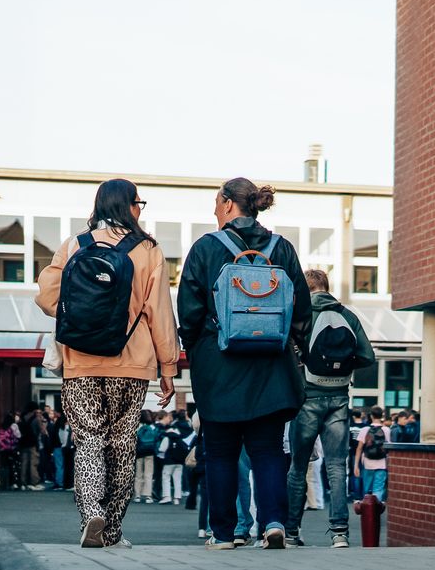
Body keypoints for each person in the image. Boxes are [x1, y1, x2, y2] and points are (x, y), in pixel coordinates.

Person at [36, 178, 180, 548]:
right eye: (138, 203)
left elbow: (47, 296)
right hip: (131, 364)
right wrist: (168, 368)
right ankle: (113, 531)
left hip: (81, 361)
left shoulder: (74, 245)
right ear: (127, 206)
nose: (139, 209)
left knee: (87, 442)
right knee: (121, 444)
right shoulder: (148, 250)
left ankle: (91, 516)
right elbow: (160, 313)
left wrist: (81, 315)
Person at [177, 178, 311, 550]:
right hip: (271, 366)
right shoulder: (280, 247)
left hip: (219, 367)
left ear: (227, 204)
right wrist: (291, 346)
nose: (214, 211)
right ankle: (273, 522)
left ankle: (222, 534)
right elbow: (301, 309)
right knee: (267, 450)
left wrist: (199, 349)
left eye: (216, 203)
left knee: (220, 453)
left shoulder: (206, 248)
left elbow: (188, 311)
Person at [286, 268, 375, 548]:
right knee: (337, 467)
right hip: (339, 396)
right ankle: (339, 533)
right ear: (327, 286)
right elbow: (367, 356)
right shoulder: (347, 316)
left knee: (298, 467)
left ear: (305, 287)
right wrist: (344, 365)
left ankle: (291, 532)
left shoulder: (300, 314)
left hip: (308, 396)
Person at [353, 406, 392, 502]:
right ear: (382, 416)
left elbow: (359, 448)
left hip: (367, 463)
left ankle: (368, 510)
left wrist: (356, 465)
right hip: (382, 464)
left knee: (367, 490)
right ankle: (376, 512)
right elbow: (389, 448)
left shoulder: (365, 430)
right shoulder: (386, 430)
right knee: (378, 489)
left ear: (371, 416)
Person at [133, 411, 159, 503]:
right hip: (150, 452)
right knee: (148, 474)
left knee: (138, 474)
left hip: (139, 453)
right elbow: (157, 438)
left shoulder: (136, 426)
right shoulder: (152, 427)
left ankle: (137, 495)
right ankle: (148, 496)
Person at [0, 412, 22, 490]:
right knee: (13, 466)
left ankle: (4, 483)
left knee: (4, 466)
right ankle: (13, 482)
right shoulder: (13, 426)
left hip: (3, 450)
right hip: (11, 449)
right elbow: (18, 436)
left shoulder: (1, 428)